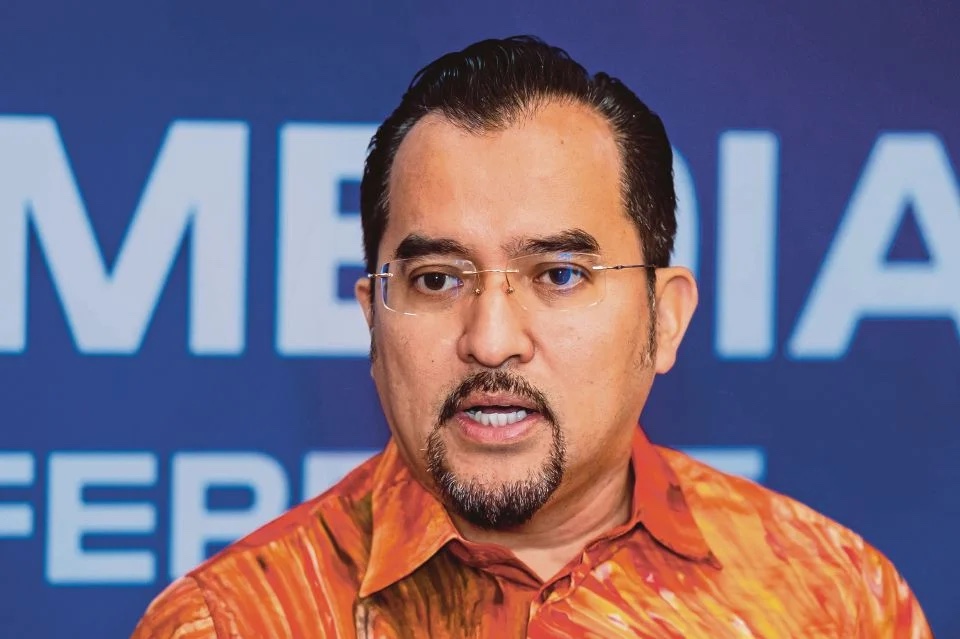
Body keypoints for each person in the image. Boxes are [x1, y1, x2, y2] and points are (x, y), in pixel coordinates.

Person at [131, 35, 931, 638]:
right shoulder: (232, 621)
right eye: (436, 279)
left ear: (665, 318)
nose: (490, 339)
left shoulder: (835, 601)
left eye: (559, 274)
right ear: (373, 319)